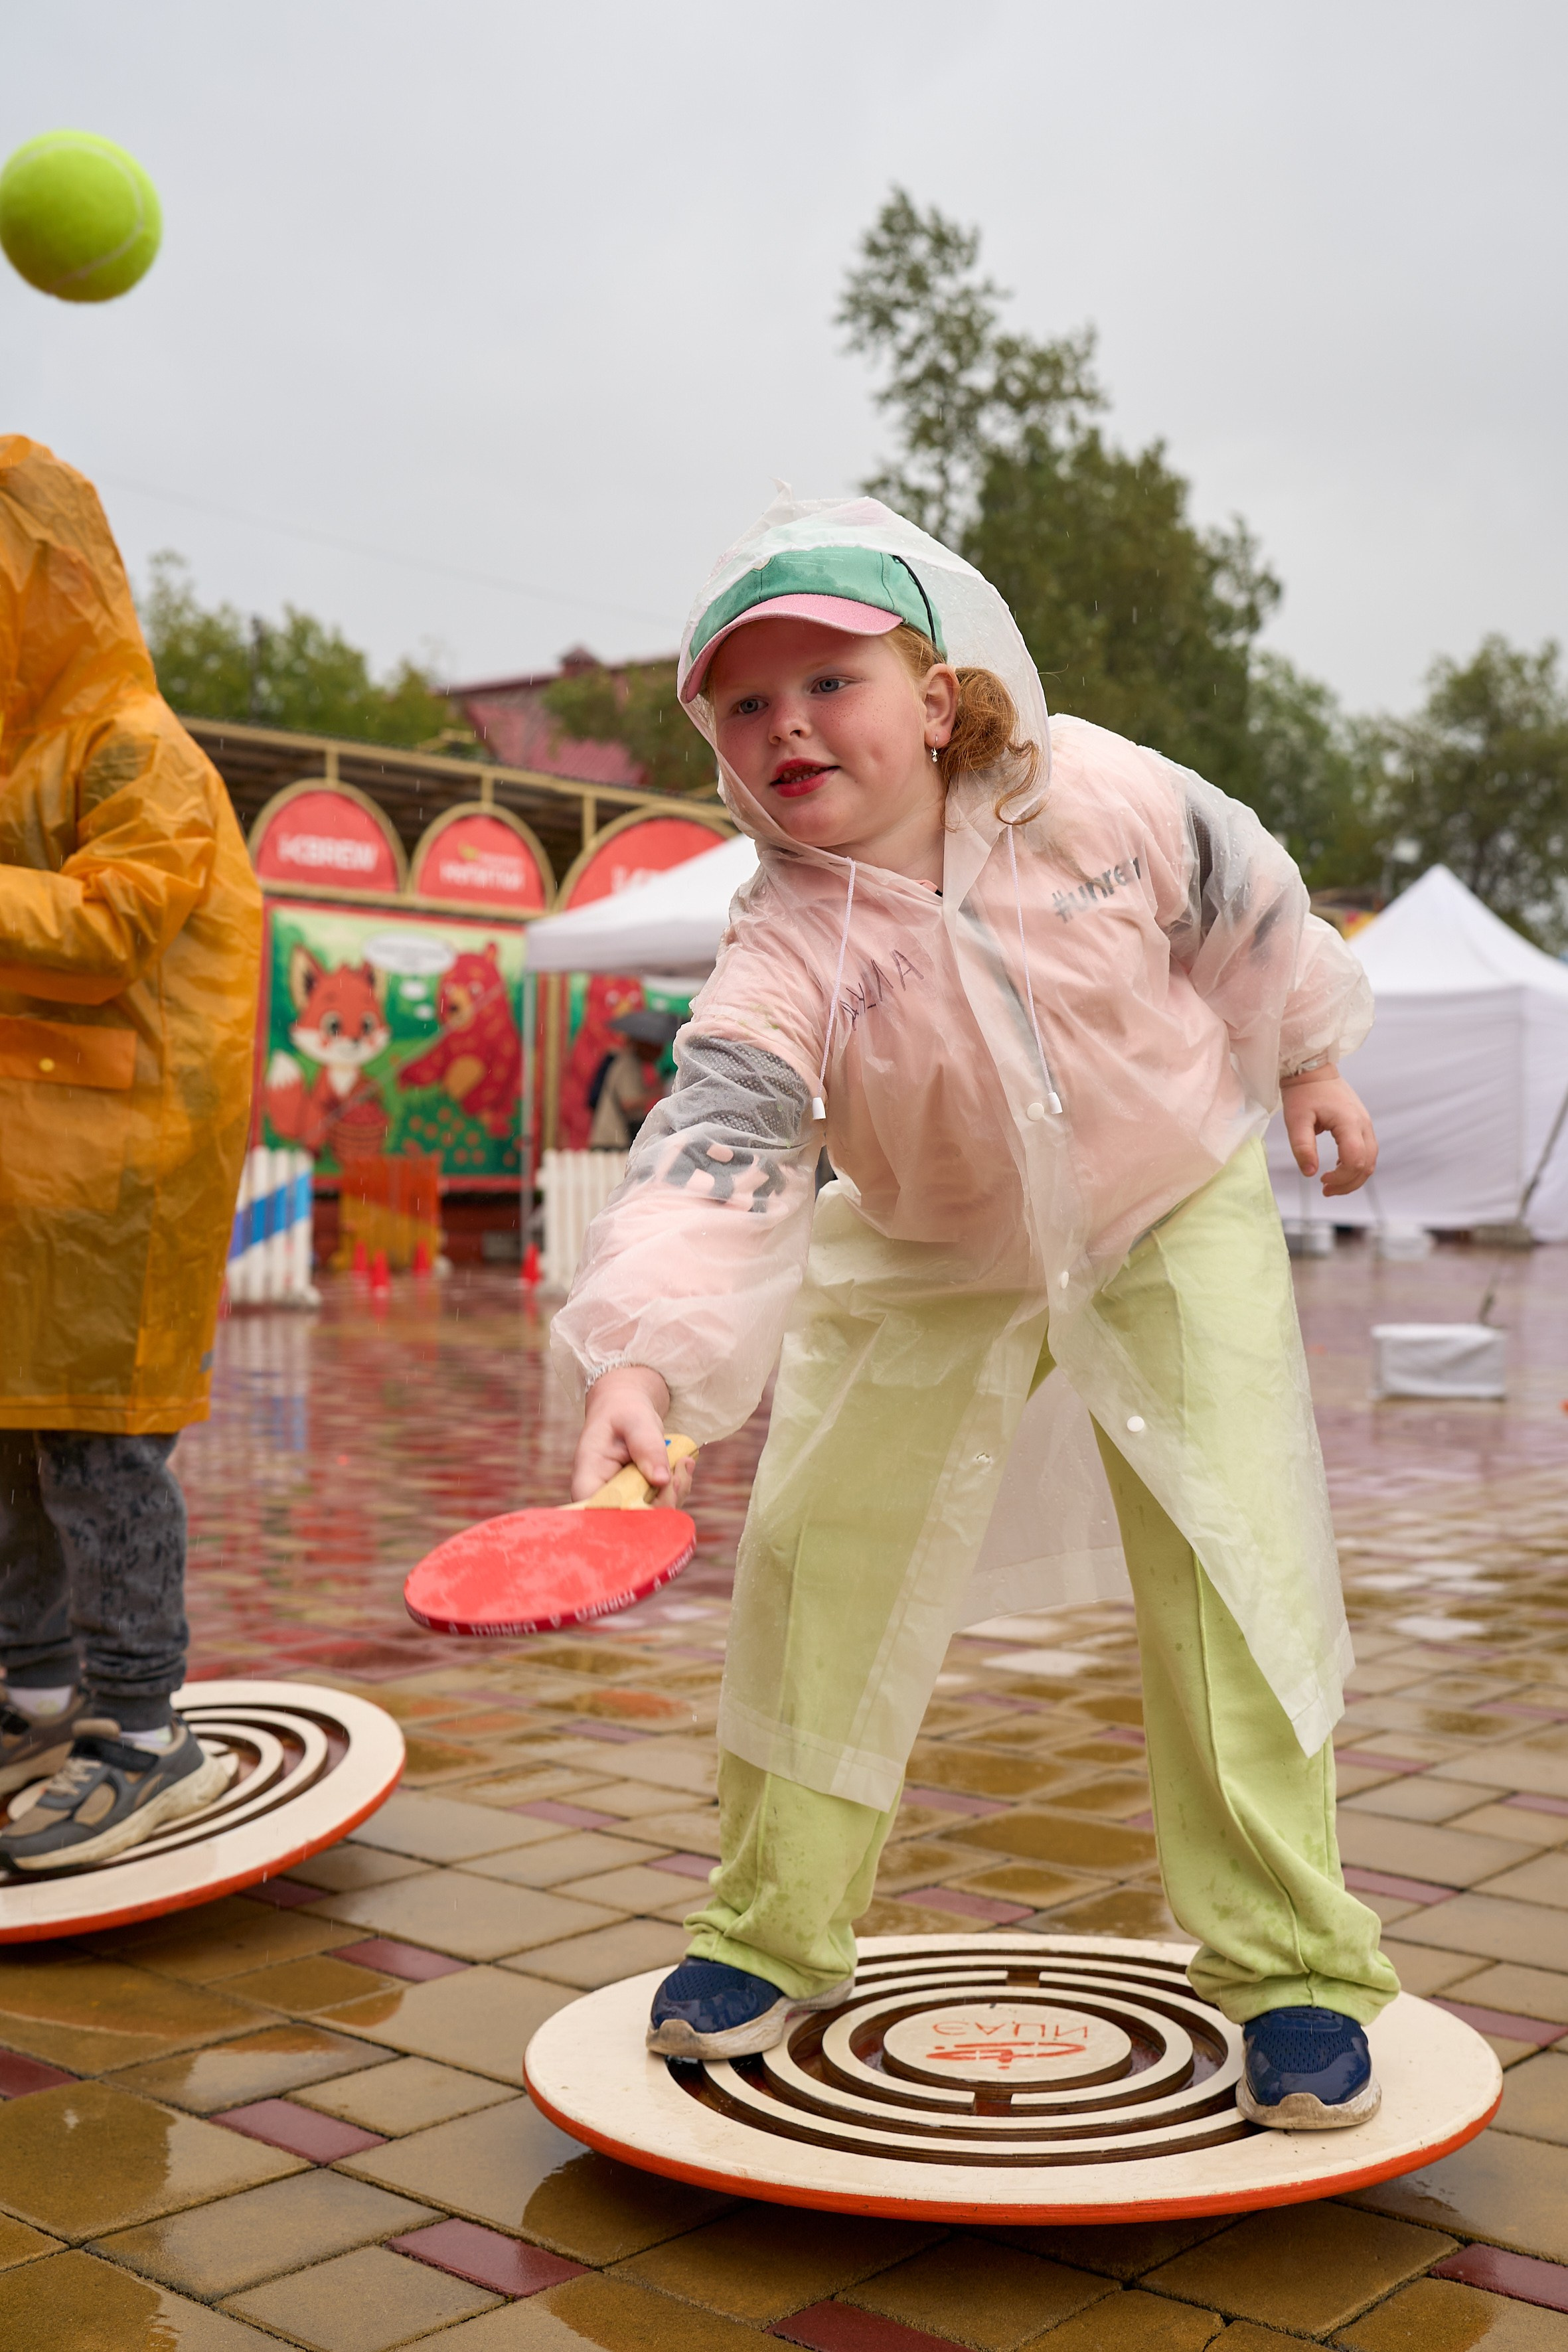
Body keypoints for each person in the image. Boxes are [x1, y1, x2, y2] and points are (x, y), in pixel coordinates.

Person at [552, 494, 1396, 2132]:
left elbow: (1245, 894)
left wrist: (1306, 1054)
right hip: (933, 1244)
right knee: (814, 1559)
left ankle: (1293, 1961)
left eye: (829, 682)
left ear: (935, 697)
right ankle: (768, 1929)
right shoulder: (781, 942)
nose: (786, 723)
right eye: (745, 701)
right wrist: (642, 1352)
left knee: (1229, 1562)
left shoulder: (1094, 795)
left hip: (1168, 1206)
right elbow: (720, 1144)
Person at [0, 437, 262, 1867]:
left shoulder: (132, 747)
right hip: (31, 1170)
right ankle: (32, 1681)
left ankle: (141, 1726)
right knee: (16, 1434)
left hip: (116, 1165)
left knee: (102, 1451)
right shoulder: (24, 751)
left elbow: (114, 927)